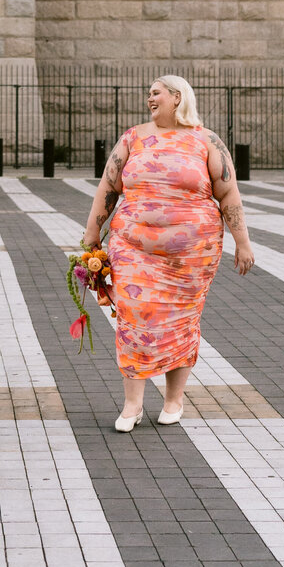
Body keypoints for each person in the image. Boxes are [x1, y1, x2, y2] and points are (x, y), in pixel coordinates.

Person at [81, 73, 254, 433]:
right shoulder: (134, 137)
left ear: (177, 97)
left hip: (191, 255)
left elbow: (228, 193)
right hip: (133, 248)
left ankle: (174, 400)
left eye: (156, 93)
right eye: (148, 94)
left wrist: (243, 242)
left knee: (180, 321)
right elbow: (109, 186)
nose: (150, 98)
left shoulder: (206, 140)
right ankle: (133, 404)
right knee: (133, 317)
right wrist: (92, 232)